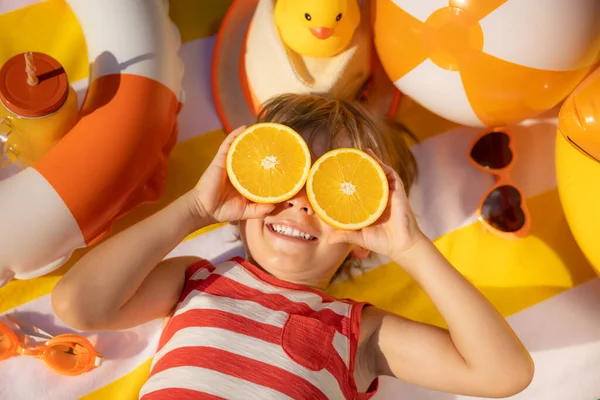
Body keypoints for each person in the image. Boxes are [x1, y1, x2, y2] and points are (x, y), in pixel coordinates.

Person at [52, 94, 534, 399]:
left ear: (365, 234)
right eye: (285, 177)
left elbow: (502, 374)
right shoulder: (193, 280)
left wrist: (410, 248)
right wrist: (195, 208)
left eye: (336, 195)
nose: (302, 203)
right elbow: (79, 304)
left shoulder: (357, 333)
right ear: (243, 182)